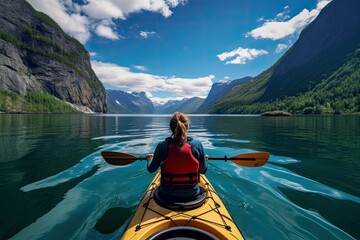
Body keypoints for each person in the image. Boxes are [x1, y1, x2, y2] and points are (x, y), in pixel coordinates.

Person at [147, 112, 207, 201]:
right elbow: (203, 170)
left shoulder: (162, 146)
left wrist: (149, 160)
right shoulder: (197, 145)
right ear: (187, 127)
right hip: (192, 195)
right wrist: (206, 160)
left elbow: (151, 169)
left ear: (171, 128)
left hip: (166, 195)